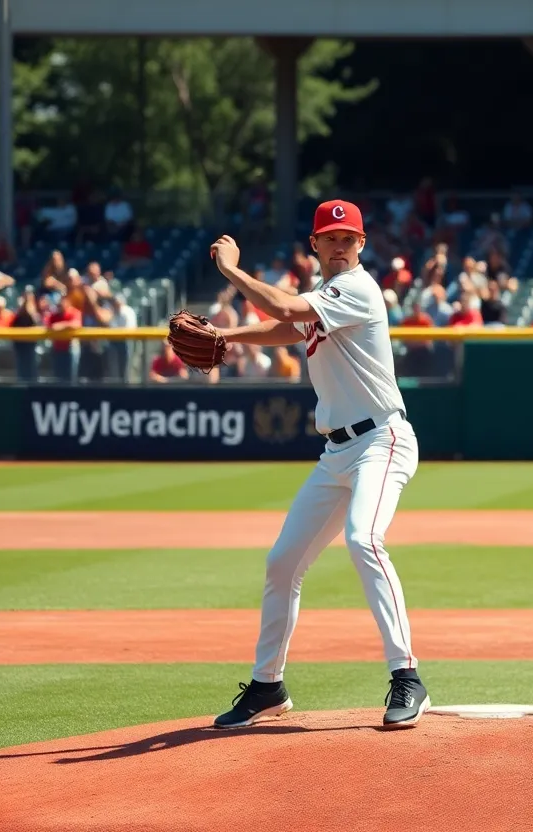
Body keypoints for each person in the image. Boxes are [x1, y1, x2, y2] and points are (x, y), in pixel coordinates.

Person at [205, 200, 428, 730]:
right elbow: (288, 330)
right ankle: (267, 687)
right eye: (330, 238)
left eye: (348, 237)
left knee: (363, 539)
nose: (339, 245)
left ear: (362, 243)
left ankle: (408, 676)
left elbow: (285, 312)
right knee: (283, 562)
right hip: (337, 453)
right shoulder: (325, 298)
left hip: (382, 439)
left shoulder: (357, 288)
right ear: (315, 244)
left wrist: (231, 270)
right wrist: (226, 337)